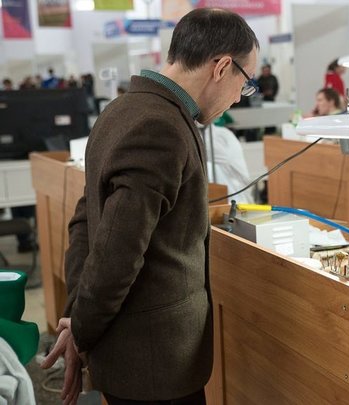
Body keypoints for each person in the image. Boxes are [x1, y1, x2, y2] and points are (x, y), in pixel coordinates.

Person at [40, 8, 259, 404]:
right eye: (244, 84)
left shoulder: (121, 110)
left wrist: (76, 316)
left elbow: (85, 222)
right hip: (154, 366)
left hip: (137, 360)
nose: (237, 98)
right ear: (222, 67)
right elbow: (116, 254)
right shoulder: (162, 127)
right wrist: (81, 329)